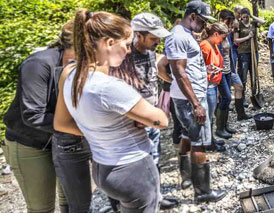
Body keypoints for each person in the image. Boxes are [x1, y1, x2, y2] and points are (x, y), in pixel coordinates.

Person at [53, 9, 169, 211]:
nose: (128, 50)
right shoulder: (110, 87)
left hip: (102, 167)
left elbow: (61, 123)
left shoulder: (70, 74)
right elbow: (161, 120)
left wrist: (98, 132)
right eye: (125, 44)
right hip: (132, 168)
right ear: (109, 43)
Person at [109, 12, 181, 209]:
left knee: (154, 161)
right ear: (138, 35)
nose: (158, 40)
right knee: (128, 168)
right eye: (153, 37)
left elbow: (154, 76)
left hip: (151, 120)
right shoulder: (121, 57)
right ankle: (120, 204)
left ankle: (155, 198)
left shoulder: (149, 52)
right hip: (129, 126)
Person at [2, 21, 74, 213]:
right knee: (42, 208)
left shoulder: (89, 65)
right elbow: (33, 115)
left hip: (64, 139)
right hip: (30, 142)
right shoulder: (38, 63)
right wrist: (82, 129)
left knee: (73, 201)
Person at [165, 0, 227, 203]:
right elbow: (179, 71)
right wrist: (196, 104)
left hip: (188, 96)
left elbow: (186, 68)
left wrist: (205, 71)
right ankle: (203, 192)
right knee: (199, 143)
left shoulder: (187, 35)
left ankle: (187, 178)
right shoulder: (178, 36)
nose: (205, 26)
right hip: (190, 99)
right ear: (192, 16)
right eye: (202, 21)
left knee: (187, 135)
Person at [217, 10, 253, 139]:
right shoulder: (216, 33)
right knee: (224, 98)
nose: (232, 27)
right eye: (230, 24)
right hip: (221, 71)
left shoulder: (227, 33)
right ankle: (221, 127)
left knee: (239, 87)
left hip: (230, 68)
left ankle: (240, 114)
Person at [199, 22, 229, 151]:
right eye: (223, 37)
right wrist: (209, 70)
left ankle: (211, 139)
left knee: (211, 115)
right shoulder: (205, 46)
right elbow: (198, 66)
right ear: (216, 34)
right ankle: (208, 142)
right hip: (208, 85)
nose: (224, 41)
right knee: (209, 116)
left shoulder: (214, 45)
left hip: (214, 84)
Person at [234, 8, 266, 104]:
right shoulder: (238, 25)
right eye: (243, 17)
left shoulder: (253, 23)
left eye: (247, 16)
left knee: (254, 74)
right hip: (243, 53)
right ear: (241, 16)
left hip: (254, 52)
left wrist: (252, 16)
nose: (245, 19)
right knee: (243, 75)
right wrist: (248, 37)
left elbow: (263, 22)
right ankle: (242, 97)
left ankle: (254, 94)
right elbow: (236, 40)